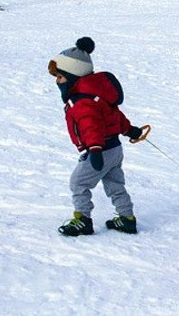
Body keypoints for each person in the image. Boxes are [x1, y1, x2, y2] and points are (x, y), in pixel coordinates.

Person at [48, 37, 144, 236]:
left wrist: (94, 149)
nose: (57, 81)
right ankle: (127, 218)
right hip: (115, 149)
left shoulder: (81, 101)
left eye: (60, 77)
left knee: (78, 183)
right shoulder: (96, 94)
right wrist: (130, 130)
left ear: (73, 75)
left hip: (100, 149)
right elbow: (114, 116)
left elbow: (90, 125)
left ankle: (82, 219)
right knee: (115, 184)